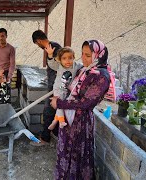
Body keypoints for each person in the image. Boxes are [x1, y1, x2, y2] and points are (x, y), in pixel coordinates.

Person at [50, 40, 111, 179]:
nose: (83, 58)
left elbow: (85, 104)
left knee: (76, 156)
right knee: (66, 153)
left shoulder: (101, 76)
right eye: (82, 54)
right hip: (69, 119)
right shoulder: (85, 70)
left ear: (98, 55)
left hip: (80, 123)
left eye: (88, 55)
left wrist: (60, 103)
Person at [30, 30, 62, 146]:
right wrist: (48, 77)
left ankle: (45, 139)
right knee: (53, 112)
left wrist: (54, 83)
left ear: (38, 41)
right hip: (53, 84)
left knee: (48, 112)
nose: (38, 46)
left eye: (36, 43)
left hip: (56, 88)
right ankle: (54, 134)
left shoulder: (53, 48)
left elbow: (61, 67)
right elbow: (54, 67)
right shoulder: (51, 46)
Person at [48, 47, 82, 130]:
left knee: (62, 105)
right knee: (59, 104)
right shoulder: (59, 66)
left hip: (67, 90)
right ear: (60, 60)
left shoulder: (76, 66)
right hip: (58, 89)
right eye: (64, 58)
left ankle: (55, 121)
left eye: (70, 58)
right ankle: (61, 121)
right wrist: (50, 55)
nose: (67, 61)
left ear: (74, 58)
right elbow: (51, 64)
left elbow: (84, 66)